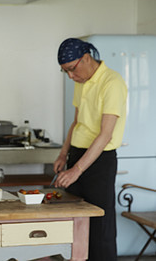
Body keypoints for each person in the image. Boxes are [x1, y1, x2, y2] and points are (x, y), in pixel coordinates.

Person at [53, 38, 127, 261]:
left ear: (86, 58)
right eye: (64, 71)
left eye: (72, 69)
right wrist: (64, 153)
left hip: (99, 160)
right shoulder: (81, 81)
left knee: (99, 226)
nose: (70, 76)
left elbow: (105, 134)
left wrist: (76, 170)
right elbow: (77, 123)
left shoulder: (112, 82)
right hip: (78, 154)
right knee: (76, 220)